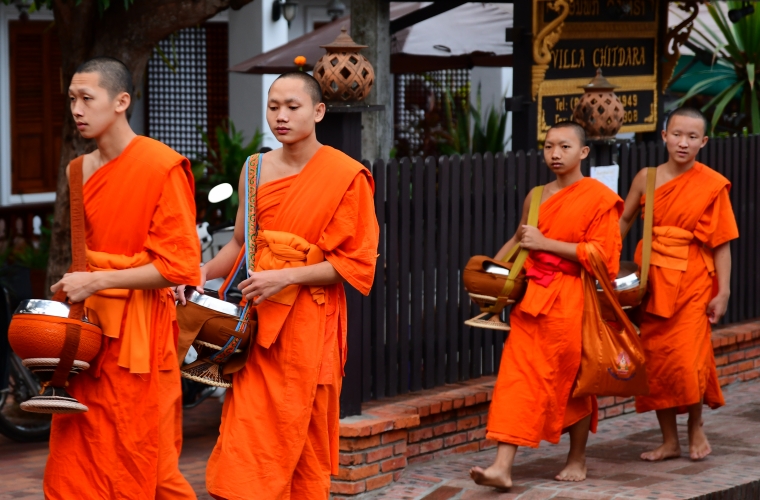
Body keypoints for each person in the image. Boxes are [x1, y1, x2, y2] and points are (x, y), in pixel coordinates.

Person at [185, 72, 379, 500]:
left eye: (293, 107)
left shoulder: (347, 176)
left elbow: (355, 263)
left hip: (310, 325)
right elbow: (240, 243)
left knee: (301, 431)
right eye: (274, 107)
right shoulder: (255, 168)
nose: (281, 116)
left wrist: (286, 276)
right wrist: (199, 272)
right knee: (246, 435)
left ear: (318, 111)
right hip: (259, 329)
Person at [45, 57, 200, 498]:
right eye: (72, 99)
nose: (76, 108)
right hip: (90, 338)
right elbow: (86, 256)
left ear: (121, 102)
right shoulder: (79, 170)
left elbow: (177, 265)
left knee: (146, 461)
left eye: (86, 99)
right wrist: (77, 284)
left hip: (142, 340)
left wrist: (94, 281)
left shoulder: (161, 166)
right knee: (75, 463)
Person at [470, 121, 623, 489]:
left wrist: (547, 244)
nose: (555, 153)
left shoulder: (600, 199)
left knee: (570, 382)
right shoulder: (537, 196)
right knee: (517, 379)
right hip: (532, 300)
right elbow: (522, 238)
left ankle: (578, 456)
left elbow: (604, 259)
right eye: (549, 146)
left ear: (583, 152)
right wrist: (492, 273)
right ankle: (501, 467)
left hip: (573, 299)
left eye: (565, 147)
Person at [619, 107, 738, 462]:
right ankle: (668, 440)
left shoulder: (712, 185)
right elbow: (624, 220)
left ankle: (695, 426)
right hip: (652, 282)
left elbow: (721, 243)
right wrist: (604, 263)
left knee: (688, 360)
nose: (682, 143)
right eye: (676, 134)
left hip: (693, 282)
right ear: (664, 135)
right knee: (657, 361)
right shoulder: (647, 178)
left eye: (691, 137)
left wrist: (725, 291)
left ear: (703, 142)